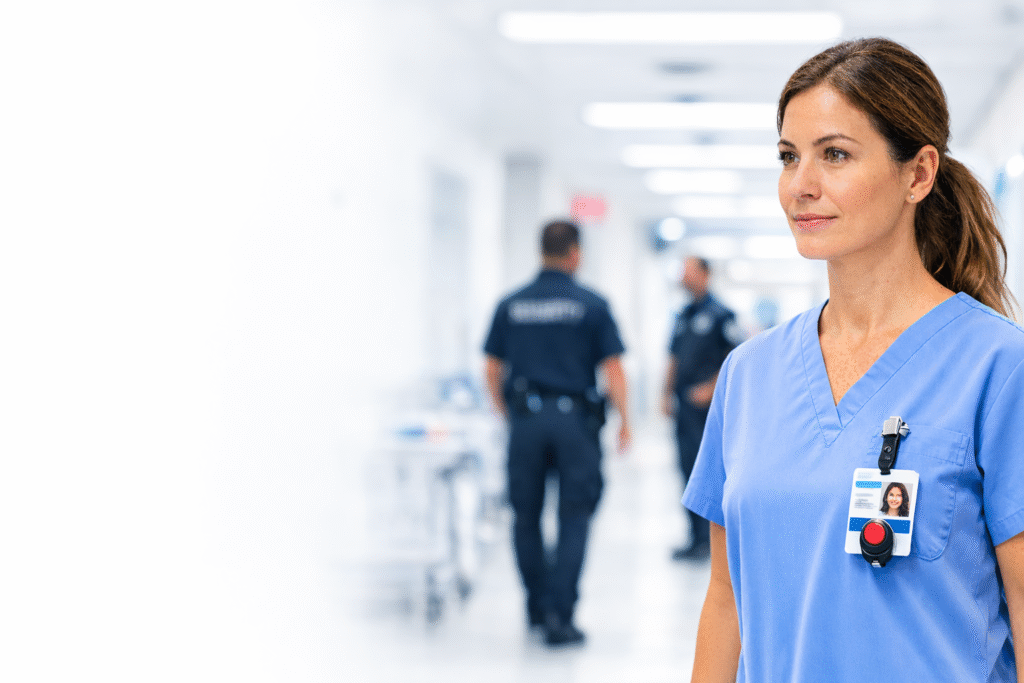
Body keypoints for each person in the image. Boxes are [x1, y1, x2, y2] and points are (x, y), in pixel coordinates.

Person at [684, 37, 1024, 682]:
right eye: (789, 157)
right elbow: (726, 604)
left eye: (834, 154)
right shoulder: (749, 375)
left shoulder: (998, 368)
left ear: (917, 174)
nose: (801, 186)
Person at [483, 219, 631, 647]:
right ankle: (559, 617)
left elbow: (492, 367)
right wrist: (625, 422)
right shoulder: (591, 304)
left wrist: (506, 412)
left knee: (525, 517)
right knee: (574, 518)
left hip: (526, 421)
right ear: (574, 254)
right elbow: (613, 368)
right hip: (575, 425)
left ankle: (536, 606)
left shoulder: (511, 304)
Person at [661, 256, 741, 561]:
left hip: (708, 410)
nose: (683, 277)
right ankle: (694, 538)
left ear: (705, 274)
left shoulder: (722, 315)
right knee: (686, 469)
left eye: (688, 271)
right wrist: (664, 394)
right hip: (684, 407)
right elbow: (673, 357)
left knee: (708, 471)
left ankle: (712, 542)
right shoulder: (683, 315)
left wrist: (711, 389)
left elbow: (735, 355)